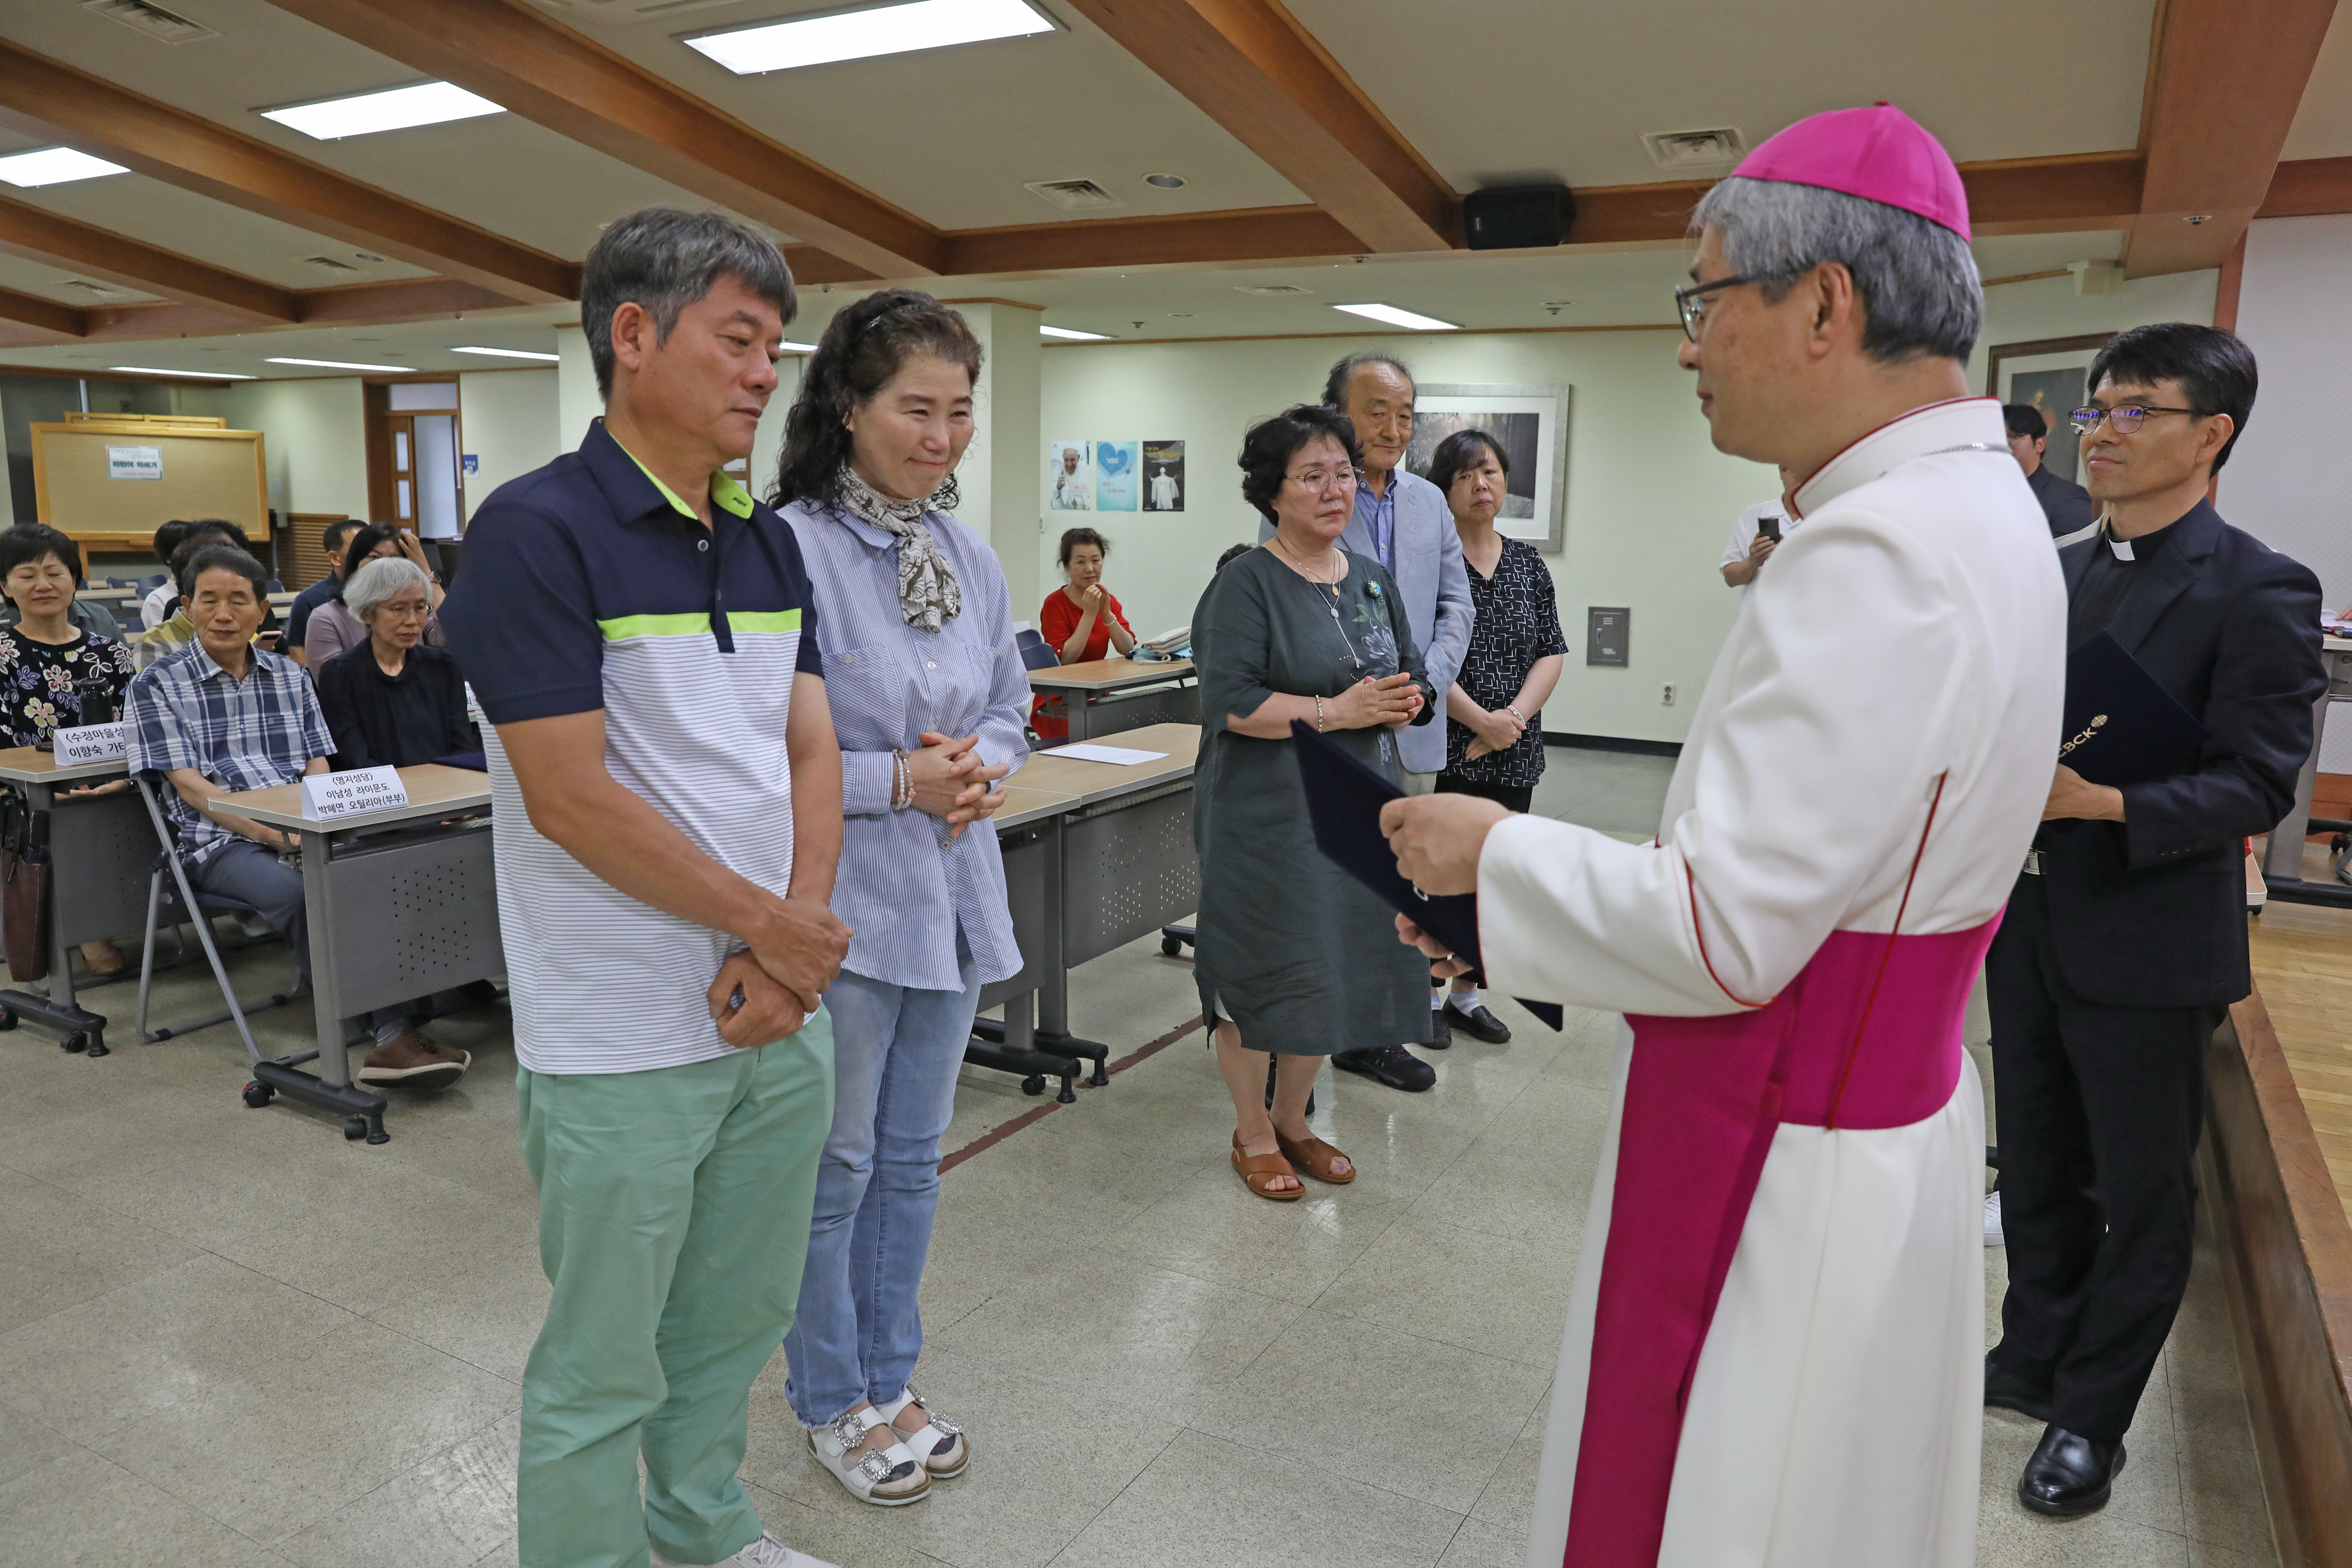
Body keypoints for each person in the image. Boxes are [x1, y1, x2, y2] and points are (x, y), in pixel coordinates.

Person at [1383, 104, 2065, 1568]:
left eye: (1703, 300)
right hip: (1888, 1107)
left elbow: (1725, 931)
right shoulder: (1981, 508)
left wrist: (1482, 858)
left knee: (1730, 1502)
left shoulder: (1875, 548)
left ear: (1827, 303)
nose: (1687, 344)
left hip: (1783, 1146)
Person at [439, 207, 849, 1568]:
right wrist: (770, 926)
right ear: (633, 334)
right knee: (603, 1363)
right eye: (739, 340)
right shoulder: (531, 531)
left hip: (776, 1013)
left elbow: (807, 746)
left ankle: (707, 1531)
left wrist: (793, 948)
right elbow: (570, 798)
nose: (762, 375)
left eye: (772, 350)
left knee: (732, 1325)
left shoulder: (765, 537)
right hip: (619, 1035)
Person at [1985, 324, 2325, 1517]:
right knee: (2030, 1160)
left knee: (2139, 1190)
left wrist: (2101, 798)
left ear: (2209, 434)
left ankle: (2092, 1417)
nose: (2101, 431)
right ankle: (2030, 1352)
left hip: (2144, 932)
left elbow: (2256, 779)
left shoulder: (2258, 585)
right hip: (2023, 919)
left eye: (2133, 410)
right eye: (2092, 409)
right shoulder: (2055, 563)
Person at [769, 289, 1028, 1507]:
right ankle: (827, 1396)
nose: (941, 435)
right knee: (837, 1166)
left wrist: (980, 768)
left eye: (959, 411)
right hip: (847, 911)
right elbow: (761, 751)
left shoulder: (964, 554)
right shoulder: (790, 550)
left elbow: (1011, 713)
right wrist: (899, 778)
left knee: (914, 1164)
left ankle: (892, 1375)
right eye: (915, 409)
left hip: (954, 900)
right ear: (846, 407)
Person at [124, 544, 472, 1090]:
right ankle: (388, 1034)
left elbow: (317, 761)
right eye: (209, 600)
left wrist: (315, 822)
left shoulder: (289, 677)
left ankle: (416, 1000)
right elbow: (191, 788)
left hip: (303, 827)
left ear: (262, 610)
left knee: (378, 867)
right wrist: (272, 832)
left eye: (239, 600)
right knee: (301, 892)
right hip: (216, 843)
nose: (224, 614)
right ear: (187, 607)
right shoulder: (156, 684)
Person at [1196, 404, 1434, 1196]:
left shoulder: (1370, 580)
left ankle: (1295, 1121)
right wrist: (1338, 714)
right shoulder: (1245, 584)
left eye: (1342, 474)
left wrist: (1412, 702)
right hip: (1267, 817)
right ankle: (1252, 1130)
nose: (1334, 490)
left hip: (1359, 808)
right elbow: (1230, 703)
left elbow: (1405, 670)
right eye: (1312, 476)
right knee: (1265, 968)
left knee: (1330, 964)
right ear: (1273, 492)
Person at [1261, 350, 1471, 1089]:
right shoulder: (1302, 498)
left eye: (1406, 413)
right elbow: (1283, 610)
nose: (1393, 426)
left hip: (1413, 723)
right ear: (1338, 415)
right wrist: (1356, 698)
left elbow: (1457, 602)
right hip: (1335, 727)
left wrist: (1426, 680)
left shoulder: (1427, 502)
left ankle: (1383, 1027)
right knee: (1332, 880)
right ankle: (1315, 1030)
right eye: (1376, 410)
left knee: (1409, 881)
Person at [1429, 431, 1565, 1045]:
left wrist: (1508, 719)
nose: (1480, 484)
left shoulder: (1527, 563)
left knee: (1493, 876)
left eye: (1489, 472)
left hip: (1514, 750)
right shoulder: (1432, 564)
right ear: (1445, 489)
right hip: (1446, 744)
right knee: (1436, 875)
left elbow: (1551, 651)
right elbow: (1421, 658)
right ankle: (1423, 993)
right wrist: (1477, 722)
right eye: (1464, 475)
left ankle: (1464, 992)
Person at [0, 524, 137, 976]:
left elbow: (134, 727)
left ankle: (120, 915)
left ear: (74, 580)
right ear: (5, 586)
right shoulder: (2, 654)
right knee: (62, 819)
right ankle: (89, 929)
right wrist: (46, 791)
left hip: (112, 781)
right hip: (27, 792)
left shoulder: (110, 652)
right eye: (27, 575)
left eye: (55, 572)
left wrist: (123, 776)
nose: (43, 585)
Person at [313, 557, 473, 770]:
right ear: (367, 612)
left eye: (420, 607)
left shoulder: (444, 667)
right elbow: (352, 759)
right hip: (381, 796)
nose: (412, 620)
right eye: (399, 609)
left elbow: (463, 747)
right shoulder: (341, 674)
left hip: (445, 790)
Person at [1032, 526, 1136, 741]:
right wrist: (1090, 614)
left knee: (1131, 725)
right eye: (1081, 562)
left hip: (1096, 694)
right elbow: (1066, 660)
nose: (1090, 568)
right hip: (1058, 701)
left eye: (1096, 561)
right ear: (1067, 567)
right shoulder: (1054, 604)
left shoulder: (1108, 599)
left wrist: (1106, 612)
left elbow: (1128, 648)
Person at [303, 523, 447, 668]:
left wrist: (425, 571)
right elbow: (335, 679)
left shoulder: (414, 610)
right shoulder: (326, 618)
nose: (385, 568)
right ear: (356, 562)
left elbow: (451, 638)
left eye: (395, 559)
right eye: (375, 558)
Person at [2005, 402, 2098, 540]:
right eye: (1998, 437)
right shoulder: (1983, 491)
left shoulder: (2068, 498)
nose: (2004, 444)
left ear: (2040, 444)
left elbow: (2072, 557)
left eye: (2014, 436)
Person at [284, 518, 363, 666]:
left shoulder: (385, 594)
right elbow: (298, 654)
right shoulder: (309, 600)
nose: (367, 556)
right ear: (335, 558)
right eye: (358, 549)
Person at [1718, 465, 1798, 591]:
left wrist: (1787, 557)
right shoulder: (1753, 515)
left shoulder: (1831, 514)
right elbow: (1731, 579)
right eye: (1793, 469)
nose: (1798, 476)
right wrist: (1753, 562)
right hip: (1759, 611)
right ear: (1782, 471)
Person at [1049, 444, 1089, 510]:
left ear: (1078, 458)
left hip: (1083, 512)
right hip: (1064, 511)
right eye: (1066, 460)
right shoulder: (1057, 471)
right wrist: (1058, 487)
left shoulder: (1087, 470)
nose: (1069, 464)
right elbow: (1052, 495)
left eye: (1072, 460)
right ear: (1063, 458)